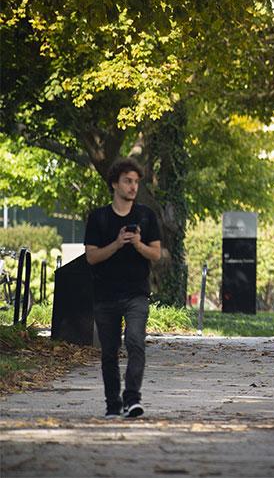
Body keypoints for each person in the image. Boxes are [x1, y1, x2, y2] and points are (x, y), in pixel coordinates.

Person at [84, 157, 162, 419]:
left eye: (136, 182)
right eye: (128, 181)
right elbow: (92, 257)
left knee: (135, 341)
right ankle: (112, 404)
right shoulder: (98, 218)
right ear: (115, 184)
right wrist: (117, 244)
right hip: (105, 295)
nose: (133, 187)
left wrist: (138, 244)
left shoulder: (146, 216)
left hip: (136, 293)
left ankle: (132, 399)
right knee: (109, 352)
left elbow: (156, 254)